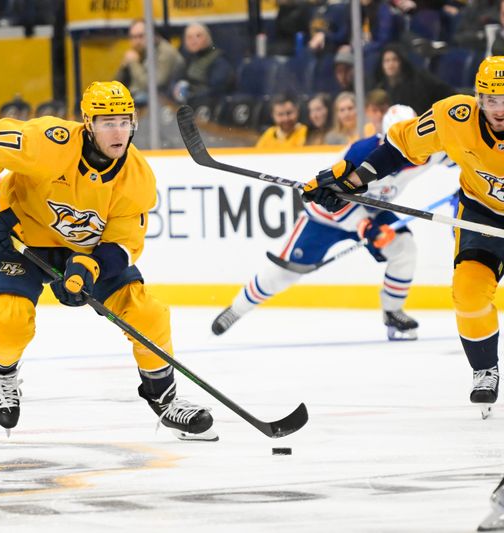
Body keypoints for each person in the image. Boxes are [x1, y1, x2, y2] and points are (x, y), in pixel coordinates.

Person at [0, 80, 217, 441]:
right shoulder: (48, 142)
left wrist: (87, 268)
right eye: (107, 122)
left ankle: (166, 400)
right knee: (10, 320)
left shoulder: (137, 178)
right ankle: (3, 374)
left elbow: (123, 245)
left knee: (147, 313)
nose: (118, 131)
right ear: (88, 123)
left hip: (86, 252)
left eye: (124, 122)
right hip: (21, 238)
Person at [301, 56, 504, 416]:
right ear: (477, 98)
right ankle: (485, 368)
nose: (499, 109)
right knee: (469, 293)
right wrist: (349, 180)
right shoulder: (454, 118)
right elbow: (399, 149)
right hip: (481, 215)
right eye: (491, 99)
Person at [212, 105, 428, 341]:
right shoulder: (358, 153)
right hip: (328, 214)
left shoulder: (428, 150)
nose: (403, 150)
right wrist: (364, 225)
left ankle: (392, 311)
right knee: (284, 273)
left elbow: (457, 151)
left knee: (404, 248)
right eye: (396, 141)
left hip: (374, 211)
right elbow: (331, 198)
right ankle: (237, 308)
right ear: (384, 136)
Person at [114, 19, 184, 106]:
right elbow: (116, 86)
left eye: (141, 36)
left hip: (164, 104)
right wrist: (124, 67)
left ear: (153, 35)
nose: (137, 41)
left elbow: (154, 86)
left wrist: (134, 64)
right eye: (133, 37)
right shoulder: (139, 53)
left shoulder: (165, 52)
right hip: (142, 101)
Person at [373, 43, 454, 114]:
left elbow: (447, 93)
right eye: (386, 61)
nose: (390, 64)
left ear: (402, 62)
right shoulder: (382, 88)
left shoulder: (420, 80)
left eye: (395, 60)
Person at [170, 23, 234, 108]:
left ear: (208, 38)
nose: (194, 40)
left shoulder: (219, 60)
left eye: (198, 36)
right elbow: (175, 79)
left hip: (209, 106)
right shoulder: (187, 58)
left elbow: (216, 90)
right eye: (189, 37)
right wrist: (175, 89)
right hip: (187, 106)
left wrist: (191, 96)